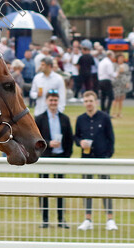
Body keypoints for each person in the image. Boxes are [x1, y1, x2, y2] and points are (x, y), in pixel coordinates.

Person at [74, 91, 117, 232]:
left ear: (96, 102)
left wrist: (107, 157)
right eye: (86, 101)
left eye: (91, 100)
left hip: (102, 160)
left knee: (106, 189)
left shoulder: (104, 118)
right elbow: (76, 137)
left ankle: (110, 219)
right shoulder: (80, 119)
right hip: (86, 160)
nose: (88, 103)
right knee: (87, 189)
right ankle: (88, 219)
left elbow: (111, 138)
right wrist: (80, 142)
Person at [34, 91, 72, 229]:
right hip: (45, 158)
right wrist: (48, 143)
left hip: (60, 159)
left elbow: (69, 139)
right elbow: (35, 139)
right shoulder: (39, 119)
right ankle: (45, 220)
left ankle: (61, 219)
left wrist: (66, 156)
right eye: (51, 100)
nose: (53, 103)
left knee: (60, 191)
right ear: (46, 101)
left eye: (55, 100)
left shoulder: (64, 119)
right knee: (44, 190)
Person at [111, 53, 130, 119]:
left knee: (121, 99)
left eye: (122, 58)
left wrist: (127, 82)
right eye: (120, 58)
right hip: (116, 84)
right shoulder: (114, 65)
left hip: (123, 83)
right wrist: (118, 71)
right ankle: (113, 113)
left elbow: (128, 74)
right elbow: (112, 74)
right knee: (116, 98)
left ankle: (119, 113)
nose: (121, 59)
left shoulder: (126, 66)